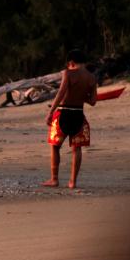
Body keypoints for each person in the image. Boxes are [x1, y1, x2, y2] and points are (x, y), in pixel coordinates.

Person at [45, 55, 97, 189]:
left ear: (71, 63)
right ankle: (73, 182)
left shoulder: (68, 73)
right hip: (78, 114)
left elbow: (61, 93)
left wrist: (51, 112)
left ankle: (54, 179)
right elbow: (93, 101)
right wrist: (82, 96)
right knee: (76, 149)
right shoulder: (92, 78)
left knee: (55, 146)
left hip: (63, 113)